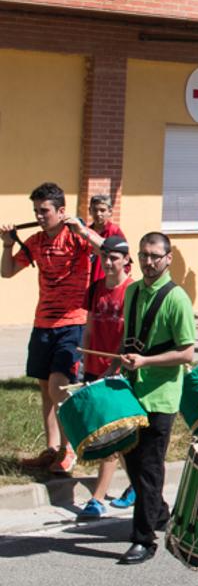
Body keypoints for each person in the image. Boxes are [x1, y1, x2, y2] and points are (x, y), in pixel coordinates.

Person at [1, 183, 103, 474]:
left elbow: (107, 251)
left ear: (61, 211)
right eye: (36, 211)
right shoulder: (34, 241)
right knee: (45, 388)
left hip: (73, 323)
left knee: (60, 387)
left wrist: (83, 230)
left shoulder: (76, 238)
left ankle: (70, 449)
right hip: (42, 323)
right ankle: (52, 449)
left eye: (44, 210)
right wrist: (8, 244)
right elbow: (6, 272)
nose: (39, 215)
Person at [116, 232, 196, 564]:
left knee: (149, 467)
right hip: (132, 390)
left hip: (161, 396)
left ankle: (144, 539)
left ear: (167, 259)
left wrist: (147, 362)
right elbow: (128, 340)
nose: (149, 262)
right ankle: (159, 513)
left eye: (155, 256)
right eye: (144, 255)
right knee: (133, 463)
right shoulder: (132, 291)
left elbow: (188, 353)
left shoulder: (177, 299)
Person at [77, 236, 136, 519]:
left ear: (126, 260)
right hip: (93, 366)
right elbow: (89, 327)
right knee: (116, 436)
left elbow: (128, 336)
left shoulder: (132, 292)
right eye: (105, 257)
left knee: (110, 434)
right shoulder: (96, 289)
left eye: (114, 257)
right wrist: (84, 362)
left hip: (116, 372)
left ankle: (97, 499)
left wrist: (114, 368)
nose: (108, 262)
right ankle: (138, 484)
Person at [86, 194, 126, 289]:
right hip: (87, 286)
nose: (98, 214)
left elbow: (125, 263)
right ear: (90, 211)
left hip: (107, 285)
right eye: (95, 210)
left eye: (102, 210)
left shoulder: (115, 232)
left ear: (110, 212)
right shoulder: (86, 233)